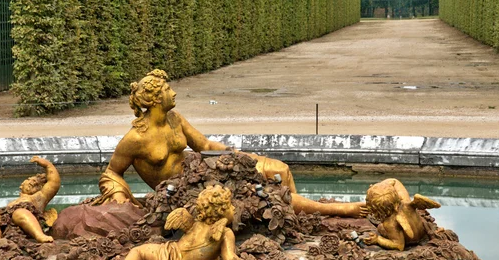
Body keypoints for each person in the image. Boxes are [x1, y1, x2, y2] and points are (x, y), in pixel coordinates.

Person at [94, 69, 363, 217]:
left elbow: (204, 145)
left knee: (280, 170)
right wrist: (118, 195)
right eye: (166, 90)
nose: (173, 92)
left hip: (205, 167)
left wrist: (236, 155)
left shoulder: (175, 119)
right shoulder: (136, 138)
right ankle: (336, 210)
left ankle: (293, 220)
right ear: (154, 99)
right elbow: (111, 172)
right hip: (190, 189)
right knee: (268, 193)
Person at [102, 185, 258, 260]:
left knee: (138, 251)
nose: (234, 209)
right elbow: (230, 259)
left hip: (169, 254)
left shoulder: (199, 224)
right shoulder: (225, 232)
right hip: (174, 256)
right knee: (138, 252)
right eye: (230, 206)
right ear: (220, 211)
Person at [0, 156, 61, 243]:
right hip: (5, 221)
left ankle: (39, 235)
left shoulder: (39, 197)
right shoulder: (15, 201)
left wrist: (48, 165)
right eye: (30, 180)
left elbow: (54, 183)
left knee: (19, 212)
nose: (33, 183)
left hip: (24, 218)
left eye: (36, 185)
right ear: (21, 185)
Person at [363, 178, 441, 251]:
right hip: (421, 234)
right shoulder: (407, 204)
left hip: (410, 241)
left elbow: (399, 246)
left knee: (380, 227)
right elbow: (394, 181)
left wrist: (378, 240)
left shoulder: (389, 223)